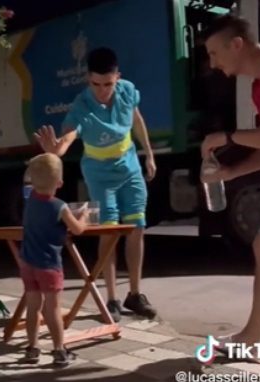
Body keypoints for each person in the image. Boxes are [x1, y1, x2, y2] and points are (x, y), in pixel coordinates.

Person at [34, 47, 157, 322]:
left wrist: (148, 153)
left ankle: (135, 294)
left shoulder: (127, 90)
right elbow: (69, 136)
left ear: (118, 77)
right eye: (96, 84)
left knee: (137, 226)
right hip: (99, 173)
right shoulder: (82, 105)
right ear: (88, 79)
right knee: (109, 231)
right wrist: (57, 150)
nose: (102, 90)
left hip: (129, 165)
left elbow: (136, 120)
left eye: (108, 84)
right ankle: (111, 298)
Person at [199, 15, 260, 348]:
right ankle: (251, 338)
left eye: (214, 53)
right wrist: (230, 172)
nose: (212, 64)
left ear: (237, 44)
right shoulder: (259, 87)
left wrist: (227, 136)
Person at [20, 153, 87, 367]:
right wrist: (84, 215)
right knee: (53, 309)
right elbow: (77, 230)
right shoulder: (60, 206)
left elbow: (29, 181)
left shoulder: (29, 198)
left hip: (28, 262)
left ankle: (32, 348)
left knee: (33, 307)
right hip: (49, 265)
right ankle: (59, 350)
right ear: (59, 183)